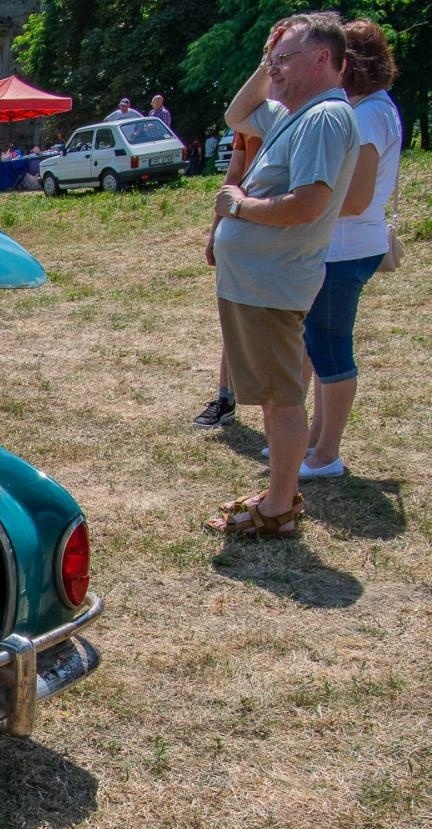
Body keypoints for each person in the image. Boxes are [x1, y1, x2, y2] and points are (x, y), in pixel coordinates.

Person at [205, 12, 360, 539]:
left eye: (286, 59)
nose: (276, 69)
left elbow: (308, 203)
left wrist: (241, 207)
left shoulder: (323, 118)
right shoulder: (296, 113)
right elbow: (237, 114)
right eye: (273, 59)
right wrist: (266, 60)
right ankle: (279, 493)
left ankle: (278, 509)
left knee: (281, 397)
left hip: (273, 282)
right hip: (258, 281)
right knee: (275, 393)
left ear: (323, 59)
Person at [297, 18, 401, 480]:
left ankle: (326, 455)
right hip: (344, 247)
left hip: (345, 249)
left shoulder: (367, 116)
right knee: (320, 348)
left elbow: (356, 198)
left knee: (331, 349)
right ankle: (314, 444)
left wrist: (305, 205)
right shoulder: (371, 110)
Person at [195, 130, 265, 429]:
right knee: (235, 321)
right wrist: (215, 231)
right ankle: (225, 398)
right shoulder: (251, 121)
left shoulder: (316, 115)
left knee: (291, 329)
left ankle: (284, 415)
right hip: (242, 237)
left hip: (291, 242)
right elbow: (232, 178)